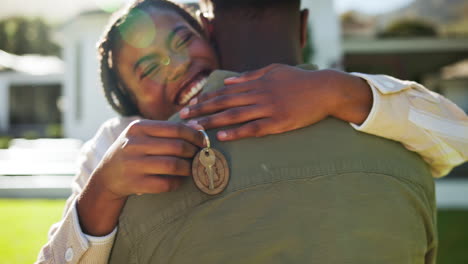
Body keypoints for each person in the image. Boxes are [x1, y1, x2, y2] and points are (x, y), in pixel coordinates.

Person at [36, 0, 468, 263]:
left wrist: (339, 92)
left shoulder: (306, 92)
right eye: (148, 68)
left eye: (183, 41)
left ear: (210, 33)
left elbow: (457, 134)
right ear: (134, 109)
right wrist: (102, 191)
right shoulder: (115, 142)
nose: (176, 64)